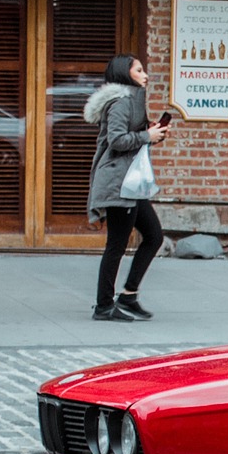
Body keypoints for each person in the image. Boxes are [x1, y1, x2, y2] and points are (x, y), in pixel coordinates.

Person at [84, 54, 170, 321]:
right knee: (116, 246)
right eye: (139, 70)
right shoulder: (121, 102)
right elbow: (117, 140)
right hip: (117, 184)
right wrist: (147, 135)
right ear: (125, 73)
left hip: (129, 183)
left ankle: (129, 295)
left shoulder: (133, 99)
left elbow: (133, 137)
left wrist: (151, 132)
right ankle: (103, 305)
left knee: (154, 236)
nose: (145, 75)